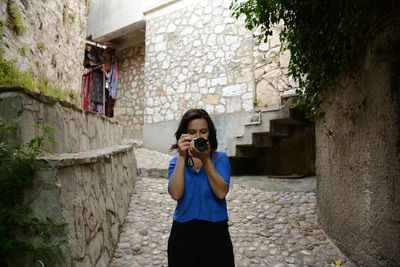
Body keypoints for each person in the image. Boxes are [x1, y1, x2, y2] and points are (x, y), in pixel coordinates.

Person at [167, 108, 235, 267]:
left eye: (203, 131)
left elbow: (221, 192)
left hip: (215, 231)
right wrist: (182, 158)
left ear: (210, 134)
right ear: (183, 135)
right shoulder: (175, 163)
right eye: (192, 132)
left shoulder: (220, 159)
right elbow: (176, 194)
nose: (198, 137)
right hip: (183, 231)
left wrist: (206, 161)